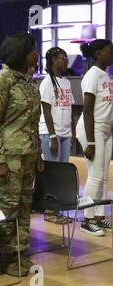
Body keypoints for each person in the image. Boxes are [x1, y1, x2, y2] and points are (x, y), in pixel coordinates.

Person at [0, 32, 43, 277]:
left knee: (24, 205)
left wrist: (38, 152)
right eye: (33, 49)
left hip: (28, 154)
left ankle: (20, 251)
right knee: (8, 207)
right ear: (20, 51)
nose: (36, 54)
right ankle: (7, 257)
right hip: (8, 157)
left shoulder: (27, 80)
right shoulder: (1, 80)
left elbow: (32, 120)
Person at [77, 39, 113, 236]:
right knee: (95, 175)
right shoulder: (92, 75)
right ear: (99, 53)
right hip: (92, 129)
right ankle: (86, 219)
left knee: (104, 177)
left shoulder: (106, 75)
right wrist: (90, 141)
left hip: (105, 129)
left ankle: (99, 217)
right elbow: (88, 110)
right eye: (110, 51)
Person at [39, 47, 75, 225]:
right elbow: (46, 111)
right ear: (54, 59)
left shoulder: (66, 82)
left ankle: (58, 210)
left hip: (65, 133)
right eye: (63, 58)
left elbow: (69, 109)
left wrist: (72, 134)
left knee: (62, 173)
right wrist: (52, 136)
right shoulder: (46, 83)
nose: (66, 61)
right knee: (52, 173)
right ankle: (50, 210)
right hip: (51, 133)